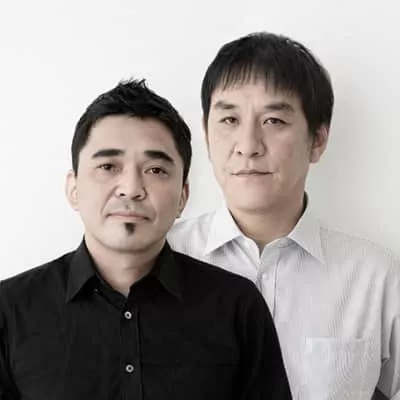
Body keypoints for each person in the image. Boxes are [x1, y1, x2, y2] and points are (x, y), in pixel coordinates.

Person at [0, 79, 292, 399]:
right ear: (74, 189)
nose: (131, 189)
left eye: (155, 170)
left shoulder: (237, 306)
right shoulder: (10, 310)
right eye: (108, 166)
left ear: (183, 197)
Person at [168, 32, 400, 400]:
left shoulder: (375, 277)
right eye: (229, 119)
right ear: (207, 135)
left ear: (318, 140)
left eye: (274, 120)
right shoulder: (161, 257)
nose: (248, 146)